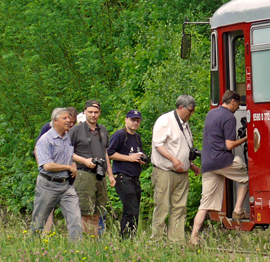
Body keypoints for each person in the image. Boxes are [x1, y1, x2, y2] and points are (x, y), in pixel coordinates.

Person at [189, 90, 250, 245]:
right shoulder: (229, 117)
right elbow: (229, 145)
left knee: (204, 204)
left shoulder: (211, 113)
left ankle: (193, 238)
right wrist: (246, 138)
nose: (238, 107)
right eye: (238, 104)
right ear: (233, 102)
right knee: (246, 177)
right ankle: (237, 210)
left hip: (207, 162)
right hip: (222, 160)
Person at [151, 95, 200, 244]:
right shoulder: (165, 121)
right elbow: (158, 144)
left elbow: (183, 146)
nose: (191, 114)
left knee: (180, 207)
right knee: (162, 206)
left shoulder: (185, 124)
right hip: (165, 171)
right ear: (180, 108)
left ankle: (176, 241)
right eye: (190, 111)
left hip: (182, 173)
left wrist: (190, 164)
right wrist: (173, 159)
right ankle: (157, 240)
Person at [31, 107, 82, 241]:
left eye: (69, 118)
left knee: (75, 218)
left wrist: (73, 166)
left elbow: (67, 157)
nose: (68, 120)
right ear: (55, 121)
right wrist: (67, 167)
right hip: (48, 184)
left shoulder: (66, 138)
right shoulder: (45, 140)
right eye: (64, 118)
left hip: (66, 186)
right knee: (39, 220)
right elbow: (47, 165)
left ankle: (78, 252)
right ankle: (31, 247)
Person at [69, 100, 115, 236]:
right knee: (86, 213)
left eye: (96, 112)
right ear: (84, 112)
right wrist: (84, 160)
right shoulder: (76, 130)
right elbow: (66, 151)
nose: (93, 115)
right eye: (90, 112)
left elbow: (105, 152)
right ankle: (85, 244)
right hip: (84, 173)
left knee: (98, 213)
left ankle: (94, 245)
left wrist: (110, 174)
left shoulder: (103, 130)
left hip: (100, 175)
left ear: (100, 113)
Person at [108, 110, 148, 238]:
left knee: (134, 211)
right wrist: (129, 158)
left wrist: (141, 159)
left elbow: (137, 154)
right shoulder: (120, 135)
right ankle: (125, 238)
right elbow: (109, 153)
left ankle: (131, 237)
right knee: (130, 210)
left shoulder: (137, 137)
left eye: (137, 121)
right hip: (123, 176)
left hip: (135, 178)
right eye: (132, 120)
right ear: (126, 120)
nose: (135, 123)